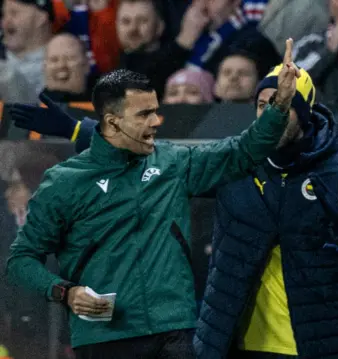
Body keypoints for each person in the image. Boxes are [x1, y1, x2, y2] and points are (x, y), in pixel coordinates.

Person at [5, 39, 300, 359]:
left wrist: (280, 104)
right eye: (144, 114)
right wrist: (64, 291)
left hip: (175, 330)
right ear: (113, 122)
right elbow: (21, 260)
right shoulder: (63, 183)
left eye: (155, 112)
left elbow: (243, 150)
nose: (156, 122)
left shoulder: (171, 163)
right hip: (105, 337)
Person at [193, 64, 338, 358]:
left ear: (304, 113)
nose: (270, 115)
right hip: (238, 345)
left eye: (281, 105)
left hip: (322, 345)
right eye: (263, 105)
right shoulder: (236, 164)